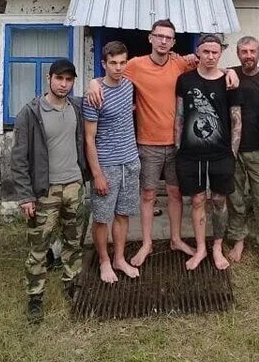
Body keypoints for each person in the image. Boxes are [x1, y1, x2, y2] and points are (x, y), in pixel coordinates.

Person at [84, 20, 238, 267]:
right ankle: (147, 243)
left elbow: (212, 63)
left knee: (176, 193)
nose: (164, 41)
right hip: (147, 143)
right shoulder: (134, 65)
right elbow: (108, 74)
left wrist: (232, 71)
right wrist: (92, 83)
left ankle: (176, 239)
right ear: (150, 38)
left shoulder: (181, 62)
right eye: (159, 36)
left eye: (169, 37)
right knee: (148, 194)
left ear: (174, 42)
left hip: (179, 145)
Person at [9, 59, 87, 323]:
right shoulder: (30, 113)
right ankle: (35, 297)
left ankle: (72, 285)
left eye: (69, 80)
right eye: (60, 79)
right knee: (39, 247)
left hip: (74, 186)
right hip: (45, 191)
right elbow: (19, 158)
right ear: (49, 78)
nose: (64, 85)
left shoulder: (77, 106)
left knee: (73, 242)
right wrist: (25, 196)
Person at [174, 34, 241, 271]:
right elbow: (180, 116)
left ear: (220, 53)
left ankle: (217, 247)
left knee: (220, 201)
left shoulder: (230, 81)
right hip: (191, 154)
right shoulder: (184, 80)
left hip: (221, 154)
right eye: (206, 52)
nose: (210, 56)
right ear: (198, 53)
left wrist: (232, 153)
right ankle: (201, 247)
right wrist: (177, 149)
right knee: (198, 200)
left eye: (215, 52)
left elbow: (236, 119)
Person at [82, 41, 141, 284]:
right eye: (113, 63)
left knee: (123, 214)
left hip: (130, 161)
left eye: (122, 63)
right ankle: (104, 261)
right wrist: (97, 174)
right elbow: (89, 137)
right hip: (106, 165)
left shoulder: (129, 85)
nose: (118, 68)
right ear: (103, 64)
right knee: (102, 217)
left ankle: (119, 258)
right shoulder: (94, 95)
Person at [224, 36, 259, 270]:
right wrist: (226, 69)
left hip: (258, 149)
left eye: (252, 51)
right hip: (232, 150)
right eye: (244, 51)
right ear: (237, 54)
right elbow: (205, 68)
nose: (248, 55)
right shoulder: (228, 76)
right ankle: (239, 240)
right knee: (235, 198)